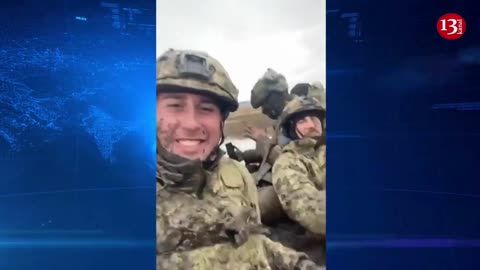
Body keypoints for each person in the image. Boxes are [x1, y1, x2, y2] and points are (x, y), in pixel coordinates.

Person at [156, 49, 321, 270]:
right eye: (175, 106)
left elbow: (256, 246)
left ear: (221, 120)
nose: (191, 124)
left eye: (206, 109)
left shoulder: (234, 175)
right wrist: (256, 149)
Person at [271, 95, 327, 265]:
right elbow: (309, 210)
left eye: (314, 119)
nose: (311, 125)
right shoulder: (288, 162)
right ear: (291, 129)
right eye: (302, 121)